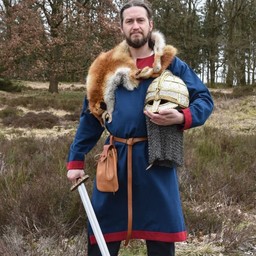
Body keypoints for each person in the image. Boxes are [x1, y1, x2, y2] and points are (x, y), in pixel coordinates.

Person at [67, 0, 214, 255]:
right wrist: (75, 160)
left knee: (160, 242)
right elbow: (91, 117)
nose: (135, 26)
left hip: (156, 160)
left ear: (150, 25)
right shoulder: (106, 67)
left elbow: (204, 99)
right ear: (122, 27)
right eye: (129, 21)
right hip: (115, 161)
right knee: (101, 240)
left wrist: (182, 117)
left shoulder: (170, 63)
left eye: (140, 20)